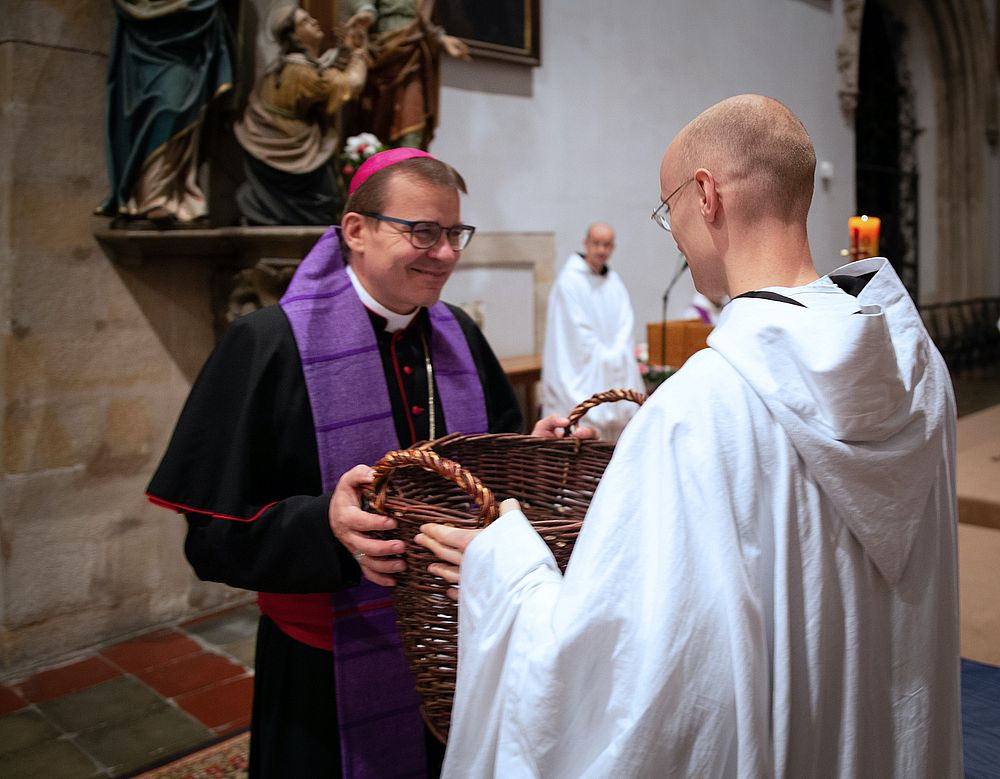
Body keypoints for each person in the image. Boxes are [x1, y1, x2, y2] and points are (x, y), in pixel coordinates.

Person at [416, 95, 962, 776]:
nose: (669, 229)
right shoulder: (921, 370)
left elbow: (633, 682)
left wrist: (503, 569)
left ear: (705, 195)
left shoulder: (700, 407)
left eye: (666, 205)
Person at [147, 148, 542, 777]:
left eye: (453, 233)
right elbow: (211, 539)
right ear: (356, 231)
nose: (445, 253)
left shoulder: (460, 336)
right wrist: (324, 529)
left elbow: (488, 472)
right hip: (323, 670)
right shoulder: (266, 343)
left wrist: (528, 460)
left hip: (458, 645)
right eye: (421, 231)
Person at [97, 0, 234, 226]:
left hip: (187, 37)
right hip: (145, 38)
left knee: (176, 109)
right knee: (159, 111)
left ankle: (168, 194)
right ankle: (150, 196)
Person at [234, 6, 367, 225]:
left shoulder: (297, 66)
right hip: (288, 151)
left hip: (288, 142)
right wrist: (359, 53)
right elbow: (349, 85)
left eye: (310, 17)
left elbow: (326, 71)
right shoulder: (299, 72)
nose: (314, 21)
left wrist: (345, 52)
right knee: (323, 200)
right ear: (294, 36)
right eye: (304, 22)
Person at [542, 223, 645, 441]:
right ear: (586, 243)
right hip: (582, 371)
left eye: (607, 245)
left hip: (612, 367)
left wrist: (616, 351)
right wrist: (606, 357)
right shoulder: (569, 282)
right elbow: (575, 331)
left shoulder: (614, 281)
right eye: (596, 244)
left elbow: (625, 322)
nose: (601, 250)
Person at [344, 0, 470, 150]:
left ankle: (411, 164)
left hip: (413, 54)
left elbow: (423, 19)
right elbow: (364, 4)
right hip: (384, 53)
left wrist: (441, 38)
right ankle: (381, 164)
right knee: (379, 119)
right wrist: (366, 12)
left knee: (413, 117)